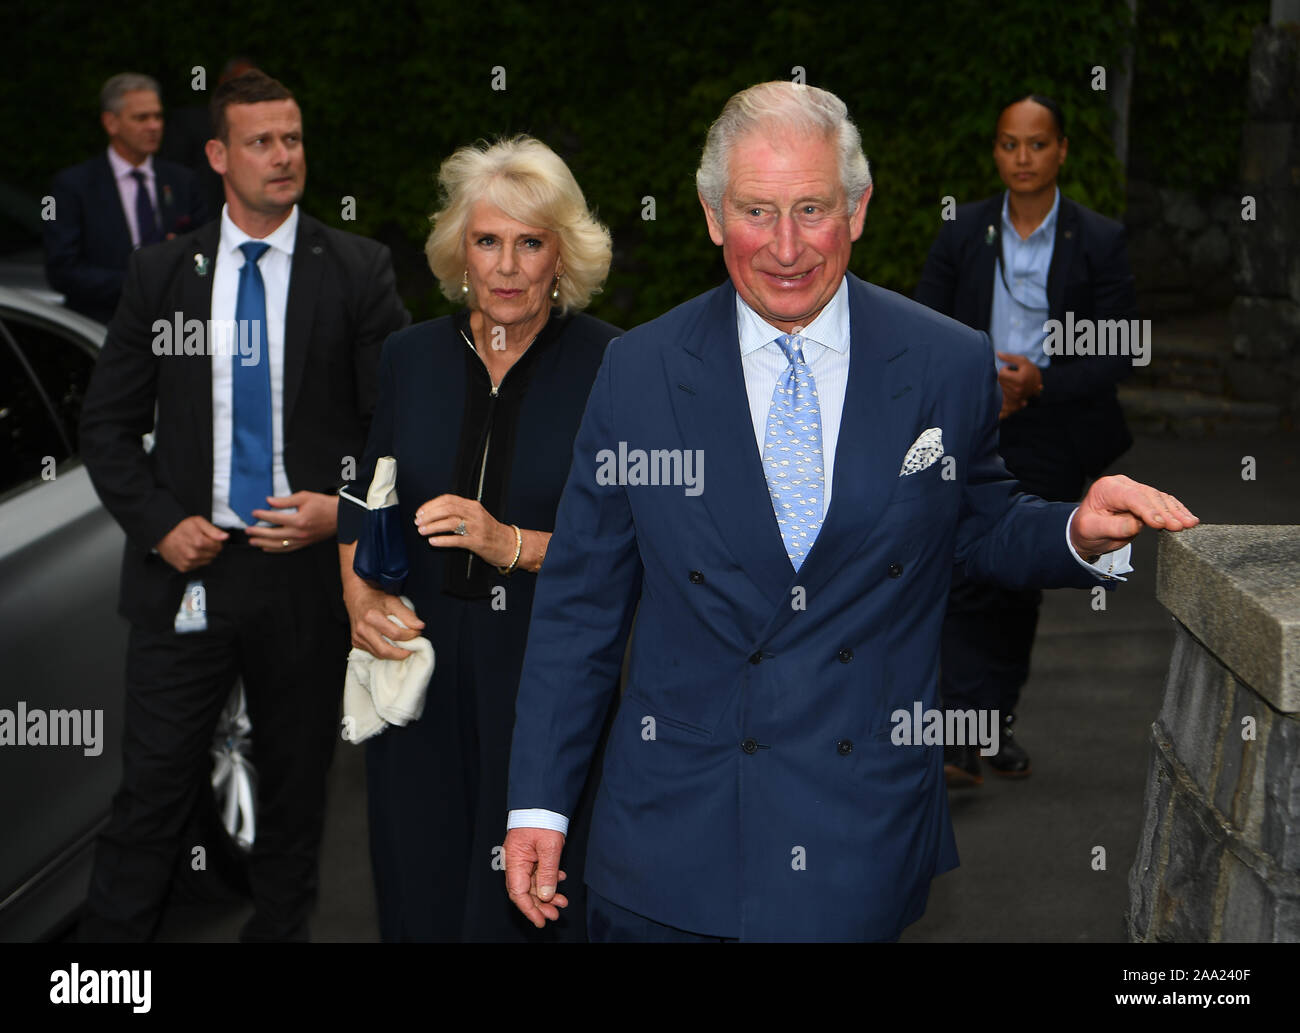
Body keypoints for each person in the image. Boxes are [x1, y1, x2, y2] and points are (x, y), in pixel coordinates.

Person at [501, 80, 1197, 942]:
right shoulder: (639, 373)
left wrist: (1073, 529)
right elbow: (580, 606)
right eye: (757, 210)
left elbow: (978, 527)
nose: (786, 247)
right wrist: (540, 803)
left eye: (812, 209)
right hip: (671, 838)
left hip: (855, 830)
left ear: (858, 210)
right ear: (713, 215)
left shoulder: (946, 360)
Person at [77, 69, 409, 941]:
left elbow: (395, 429)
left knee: (294, 802)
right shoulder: (162, 275)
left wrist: (341, 513)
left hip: (300, 580)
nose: (284, 155)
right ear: (219, 156)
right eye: (261, 141)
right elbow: (105, 426)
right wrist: (159, 523)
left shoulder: (357, 270)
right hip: (188, 573)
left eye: (293, 137)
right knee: (151, 797)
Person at [338, 136, 619, 942]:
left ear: (561, 254)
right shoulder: (409, 357)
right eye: (487, 240)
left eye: (529, 243)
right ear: (460, 250)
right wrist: (359, 596)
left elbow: (638, 547)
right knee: (419, 889)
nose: (506, 265)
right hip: (419, 671)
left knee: (538, 898)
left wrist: (514, 544)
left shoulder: (615, 366)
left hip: (547, 672)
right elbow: (362, 497)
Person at [914, 95, 1137, 785]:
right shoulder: (965, 231)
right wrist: (983, 375)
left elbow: (1119, 349)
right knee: (959, 567)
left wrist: (1039, 382)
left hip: (1052, 423)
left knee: (1015, 578)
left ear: (1062, 149)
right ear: (995, 151)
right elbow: (922, 323)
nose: (1022, 157)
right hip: (974, 412)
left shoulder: (1097, 239)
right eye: (1009, 143)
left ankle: (989, 721)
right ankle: (962, 733)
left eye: (1036, 144)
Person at [44, 72, 209, 323]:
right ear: (111, 123)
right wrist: (139, 284)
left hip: (174, 330)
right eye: (142, 118)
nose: (154, 126)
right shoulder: (74, 186)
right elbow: (62, 271)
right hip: (101, 329)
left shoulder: (183, 181)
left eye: (158, 116)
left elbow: (205, 257)